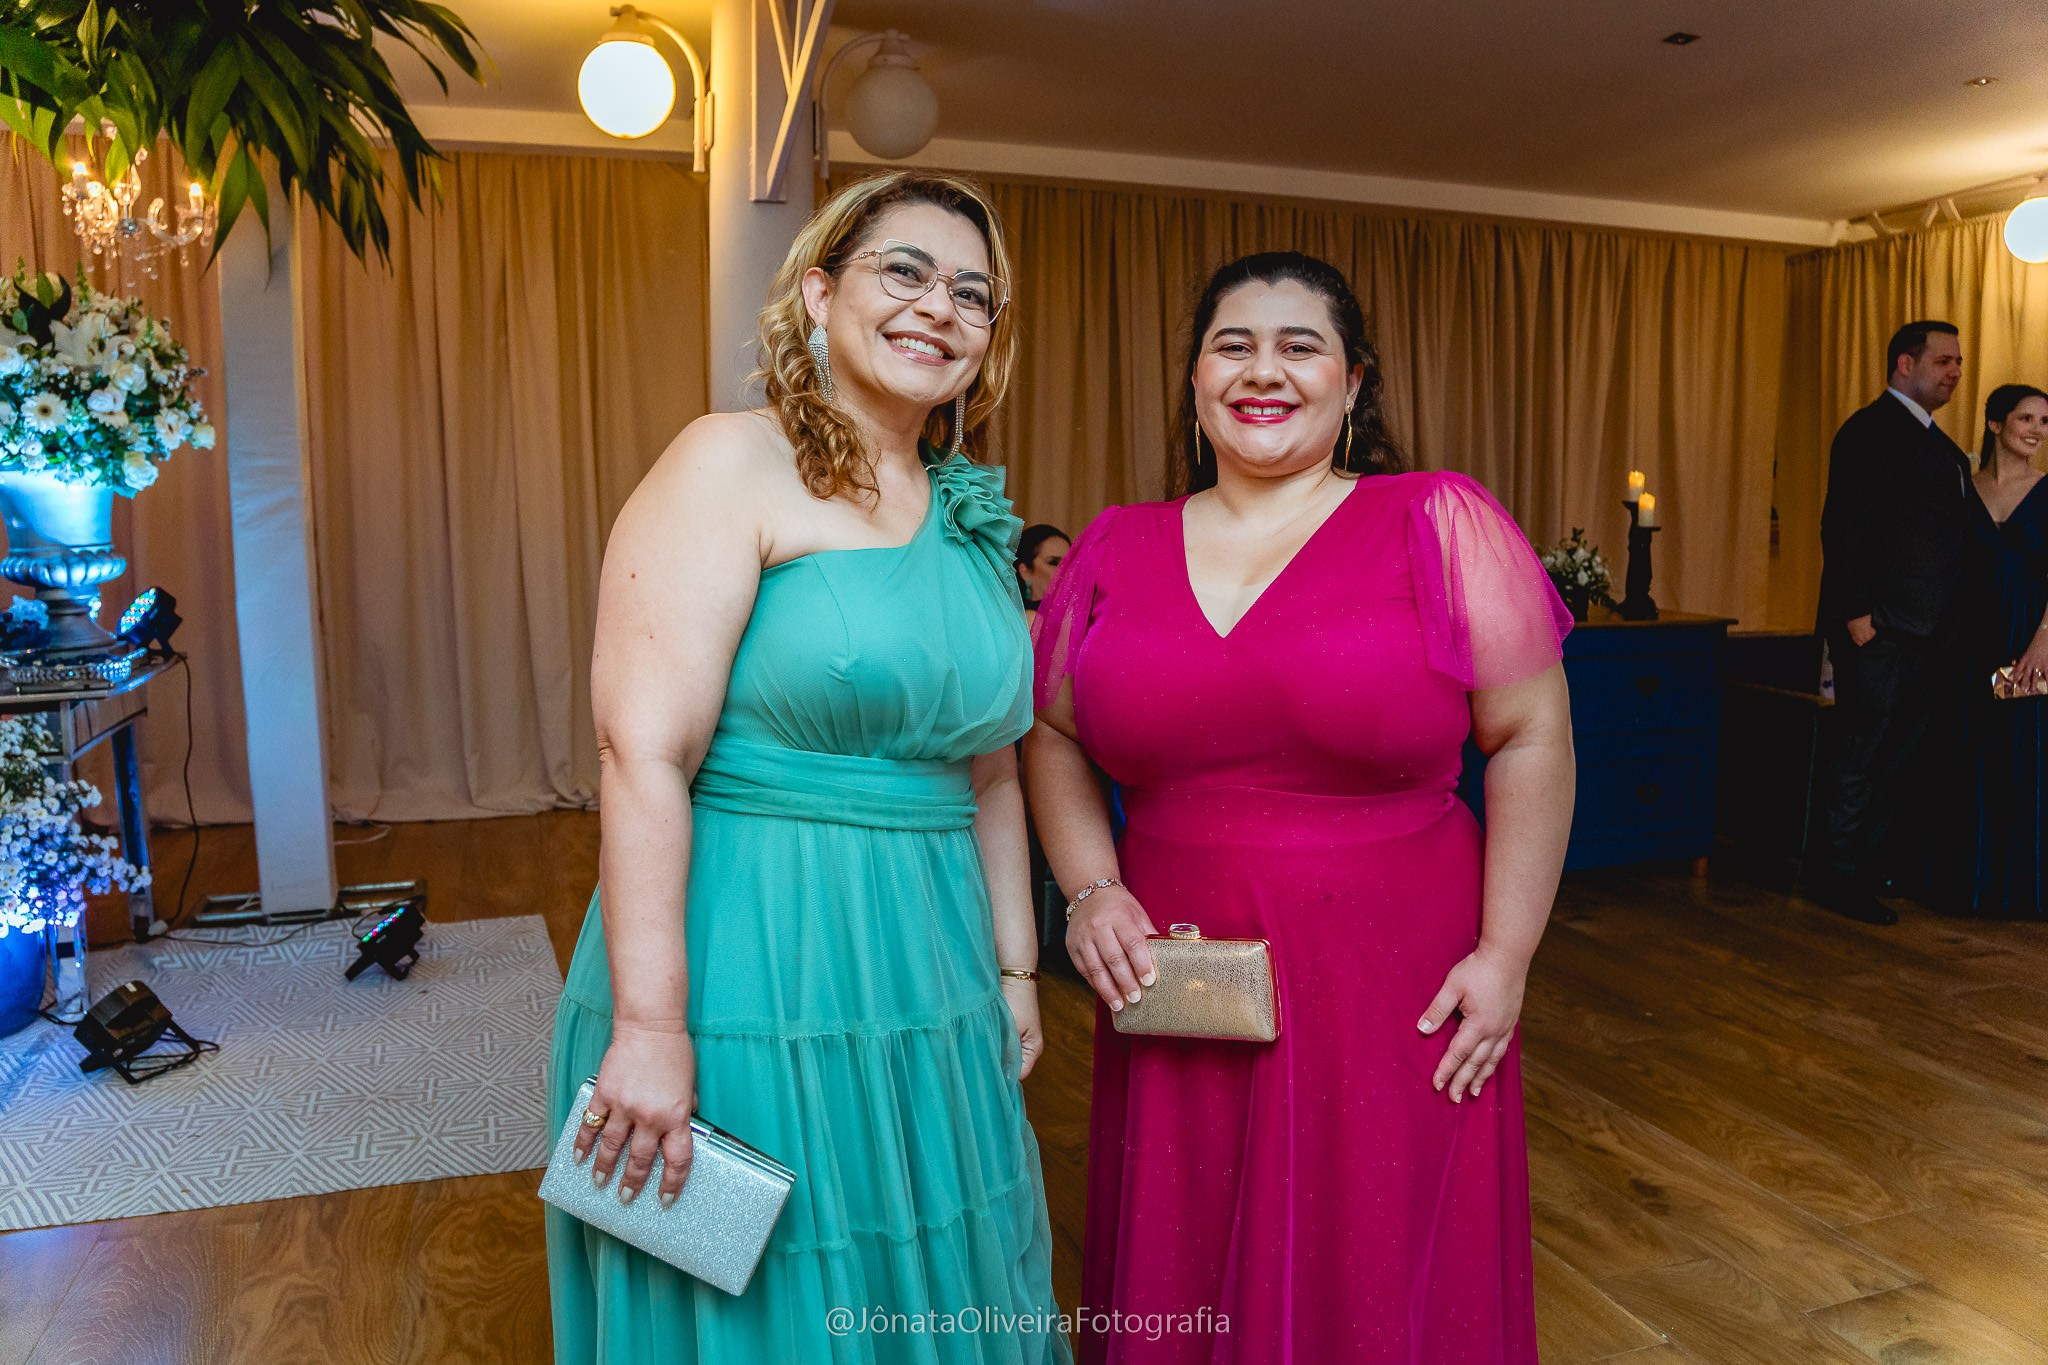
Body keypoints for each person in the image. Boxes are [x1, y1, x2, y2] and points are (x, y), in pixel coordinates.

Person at [546, 170, 1071, 1365]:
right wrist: (648, 1025)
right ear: (820, 289)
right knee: (763, 1297)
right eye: (906, 271)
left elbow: (990, 771)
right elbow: (642, 751)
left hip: (931, 961)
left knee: (936, 1262)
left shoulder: (970, 517)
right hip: (751, 952)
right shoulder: (729, 462)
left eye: (973, 295)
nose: (941, 306)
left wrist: (1014, 970)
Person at [1025, 251, 1575, 1363]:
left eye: (1298, 345)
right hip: (1174, 974)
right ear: (1191, 381)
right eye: (1231, 345)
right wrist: (1089, 889)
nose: (1259, 371)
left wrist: (1506, 954)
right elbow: (1051, 732)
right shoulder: (1111, 546)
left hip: (1395, 976)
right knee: (1189, 1241)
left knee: (1375, 1257)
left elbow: (1529, 737)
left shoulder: (1436, 521)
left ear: (1353, 382)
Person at [1811, 320, 1975, 926]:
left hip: (1927, 633)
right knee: (1861, 753)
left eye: (1958, 362)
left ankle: (1870, 868)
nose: (1955, 372)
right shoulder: (1870, 431)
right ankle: (1837, 876)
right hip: (1880, 630)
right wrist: (1856, 616)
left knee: (1896, 756)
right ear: (1904, 364)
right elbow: (1844, 525)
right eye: (1944, 361)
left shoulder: (1937, 441)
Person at [1950, 383, 2048, 917]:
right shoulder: (1965, 487)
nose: (2037, 430)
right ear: (1994, 425)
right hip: (1971, 636)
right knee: (1975, 752)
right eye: (2026, 418)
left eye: (2044, 422)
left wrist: (2043, 644)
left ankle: (2025, 887)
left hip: (2032, 637)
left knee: (2025, 756)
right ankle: (1974, 884)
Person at [1017, 523, 1071, 634]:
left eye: (1069, 563)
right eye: (1053, 562)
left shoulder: (1079, 616)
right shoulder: (1029, 619)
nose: (1065, 570)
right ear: (1025, 571)